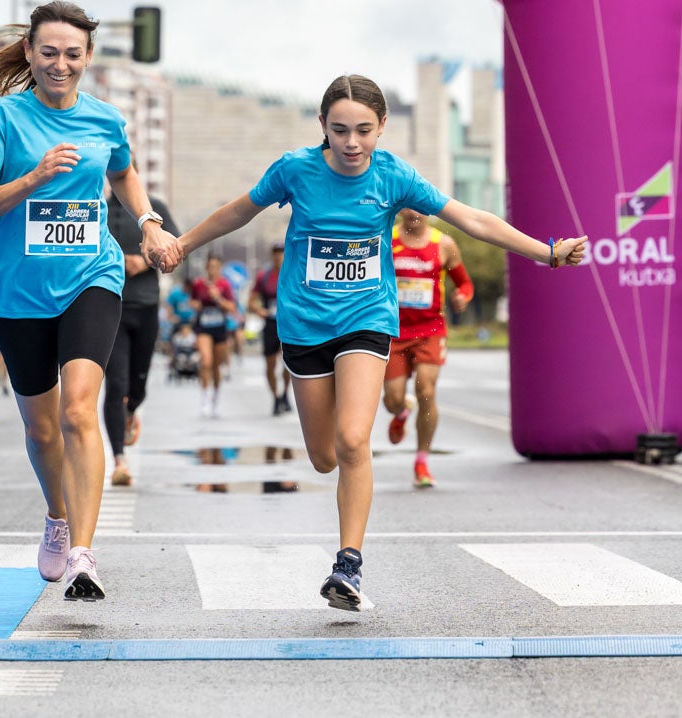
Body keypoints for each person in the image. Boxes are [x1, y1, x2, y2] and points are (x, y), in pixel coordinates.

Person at [146, 73, 586, 612]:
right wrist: (182, 244)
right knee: (325, 456)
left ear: (382, 128)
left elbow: (470, 218)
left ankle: (348, 566)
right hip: (305, 326)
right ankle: (341, 515)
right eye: (339, 130)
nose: (351, 143)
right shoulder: (296, 171)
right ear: (322, 129)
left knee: (355, 441)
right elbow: (240, 210)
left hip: (366, 318)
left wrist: (545, 252)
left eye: (363, 131)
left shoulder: (393, 175)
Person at [0, 0, 179, 601]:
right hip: (17, 294)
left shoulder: (105, 119)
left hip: (92, 277)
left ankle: (83, 552)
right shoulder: (0, 121)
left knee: (80, 410)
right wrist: (32, 178)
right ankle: (58, 517)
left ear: (88, 59)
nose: (61, 64)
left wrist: (148, 221)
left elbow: (125, 172)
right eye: (50, 52)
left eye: (73, 55)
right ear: (30, 54)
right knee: (41, 428)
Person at [381, 208, 474, 488]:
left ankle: (422, 460)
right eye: (408, 207)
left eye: (420, 207)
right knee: (392, 398)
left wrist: (462, 296)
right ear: (400, 211)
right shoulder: (387, 238)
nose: (414, 213)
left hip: (430, 330)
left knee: (426, 391)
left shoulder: (444, 244)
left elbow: (465, 284)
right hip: (394, 332)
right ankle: (401, 412)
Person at [103, 173, 179, 486]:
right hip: (110, 306)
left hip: (146, 306)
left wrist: (142, 262)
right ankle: (119, 460)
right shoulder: (96, 209)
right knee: (115, 383)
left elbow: (176, 247)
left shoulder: (155, 208)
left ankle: (132, 408)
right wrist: (115, 261)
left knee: (139, 383)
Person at [191, 254, 239, 418]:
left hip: (219, 328)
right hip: (203, 327)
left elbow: (232, 307)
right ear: (206, 268)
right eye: (210, 267)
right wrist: (196, 305)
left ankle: (215, 399)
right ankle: (204, 399)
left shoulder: (224, 285)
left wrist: (218, 298)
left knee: (217, 367)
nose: (212, 270)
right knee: (206, 362)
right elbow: (193, 301)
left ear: (220, 268)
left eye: (215, 267)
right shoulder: (198, 284)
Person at [249, 242, 293, 416]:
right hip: (270, 324)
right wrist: (259, 310)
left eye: (281, 253)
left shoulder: (292, 273)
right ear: (271, 256)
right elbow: (251, 302)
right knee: (269, 365)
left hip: (289, 323)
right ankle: (275, 397)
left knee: (288, 363)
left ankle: (285, 394)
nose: (278, 257)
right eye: (275, 253)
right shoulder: (264, 277)